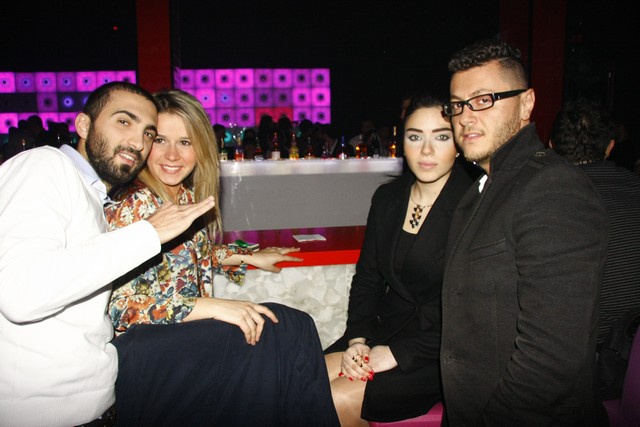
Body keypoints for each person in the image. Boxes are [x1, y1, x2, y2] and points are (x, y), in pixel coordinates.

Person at [105, 89, 340, 426]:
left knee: (285, 345)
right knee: (290, 327)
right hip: (145, 355)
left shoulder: (181, 196)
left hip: (178, 342)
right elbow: (119, 307)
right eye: (160, 140)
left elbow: (189, 254)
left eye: (185, 142)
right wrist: (213, 306)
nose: (172, 154)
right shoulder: (135, 203)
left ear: (201, 148)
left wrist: (247, 256)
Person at [0, 81, 215, 427]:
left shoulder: (94, 197)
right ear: (83, 125)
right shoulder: (43, 165)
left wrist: (242, 256)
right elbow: (19, 292)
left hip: (98, 406)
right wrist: (149, 233)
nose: (138, 143)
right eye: (123, 121)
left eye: (147, 133)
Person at [439, 39, 609, 426]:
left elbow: (551, 357)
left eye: (483, 100)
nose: (465, 117)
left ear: (526, 103)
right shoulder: (480, 190)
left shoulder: (554, 188)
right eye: (457, 105)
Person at [324, 94, 473, 426]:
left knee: (336, 397)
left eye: (441, 137)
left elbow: (474, 313)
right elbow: (367, 279)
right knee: (304, 377)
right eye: (415, 137)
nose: (426, 150)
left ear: (459, 144)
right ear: (402, 143)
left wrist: (397, 354)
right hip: (382, 330)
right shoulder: (388, 198)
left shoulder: (475, 205)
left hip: (438, 352)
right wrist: (358, 339)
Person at [550, 97, 640, 399]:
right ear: (610, 147)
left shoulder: (541, 201)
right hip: (632, 360)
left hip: (577, 372)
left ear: (551, 146)